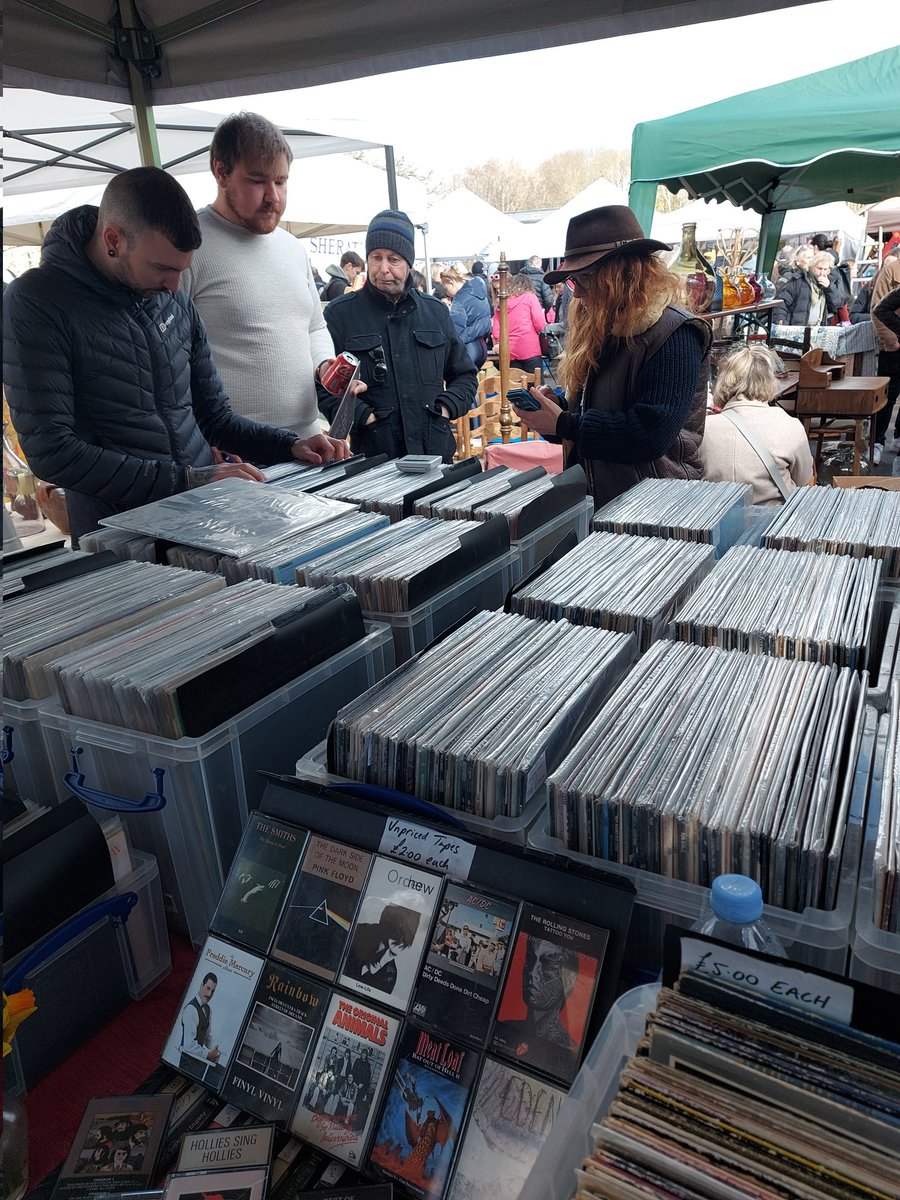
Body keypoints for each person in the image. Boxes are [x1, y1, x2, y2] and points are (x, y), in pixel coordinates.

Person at [3, 166, 351, 547]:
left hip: (205, 517)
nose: (174, 285)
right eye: (163, 268)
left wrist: (288, 444)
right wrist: (185, 480)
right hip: (117, 533)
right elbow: (52, 452)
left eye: (181, 270)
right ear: (113, 240)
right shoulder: (36, 301)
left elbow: (214, 418)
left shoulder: (173, 299)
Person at [511, 205, 711, 509]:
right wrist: (559, 409)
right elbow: (603, 410)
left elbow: (649, 435)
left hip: (659, 508)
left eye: (583, 278)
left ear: (620, 274)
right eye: (573, 280)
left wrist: (565, 424)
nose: (576, 293)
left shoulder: (675, 332)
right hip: (606, 502)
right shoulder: (605, 329)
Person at [181, 113, 351, 437]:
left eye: (281, 181)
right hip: (234, 455)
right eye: (258, 181)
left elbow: (314, 326)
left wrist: (325, 364)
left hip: (307, 440)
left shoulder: (292, 248)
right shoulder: (189, 246)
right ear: (221, 172)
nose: (273, 196)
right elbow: (169, 359)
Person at [318, 209, 477, 462]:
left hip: (434, 453)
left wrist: (446, 408)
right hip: (374, 458)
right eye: (376, 257)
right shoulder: (341, 315)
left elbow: (465, 374)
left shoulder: (435, 312)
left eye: (393, 259)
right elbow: (323, 386)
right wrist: (363, 417)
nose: (383, 269)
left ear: (408, 262)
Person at [701, 344, 814, 505]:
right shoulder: (789, 425)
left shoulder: (705, 428)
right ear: (769, 381)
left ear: (723, 381)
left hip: (717, 523)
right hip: (775, 524)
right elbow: (804, 480)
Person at [342, 901, 421, 994]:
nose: (382, 959)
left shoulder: (388, 978)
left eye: (392, 954)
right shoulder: (352, 934)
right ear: (377, 930)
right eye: (385, 944)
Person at [871, 250, 900, 449]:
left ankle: (898, 437)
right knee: (888, 396)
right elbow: (878, 307)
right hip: (894, 346)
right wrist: (891, 340)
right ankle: (877, 442)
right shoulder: (891, 270)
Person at [491, 272, 547, 373]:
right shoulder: (530, 297)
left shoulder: (502, 301)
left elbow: (496, 330)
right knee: (535, 384)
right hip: (530, 348)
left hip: (509, 350)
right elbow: (540, 324)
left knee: (514, 386)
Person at [440, 264, 492, 367]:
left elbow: (455, 332)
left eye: (446, 289)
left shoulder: (459, 301)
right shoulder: (479, 291)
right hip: (482, 347)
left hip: (469, 349)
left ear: (451, 282)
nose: (447, 293)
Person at [771, 248, 839, 325]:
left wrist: (829, 288)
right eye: (819, 268)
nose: (822, 273)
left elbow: (835, 306)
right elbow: (782, 302)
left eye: (825, 269)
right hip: (796, 329)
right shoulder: (798, 280)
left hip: (817, 330)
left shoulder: (828, 284)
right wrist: (781, 322)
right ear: (812, 266)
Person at [180, 971, 222, 1082]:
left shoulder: (208, 1010)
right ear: (201, 985)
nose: (209, 994)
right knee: (218, 1080)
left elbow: (207, 1037)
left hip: (200, 1061)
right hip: (188, 1065)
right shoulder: (190, 1010)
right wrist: (208, 1055)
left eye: (212, 991)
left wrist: (215, 1050)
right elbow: (188, 1045)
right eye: (208, 988)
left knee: (224, 1072)